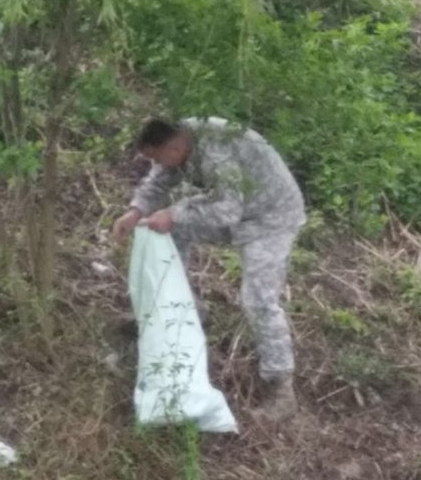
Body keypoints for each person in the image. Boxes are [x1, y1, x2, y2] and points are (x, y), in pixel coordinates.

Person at [113, 116, 307, 423]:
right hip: (238, 209)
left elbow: (228, 210)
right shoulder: (179, 142)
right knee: (170, 232)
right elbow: (159, 180)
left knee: (258, 299)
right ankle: (184, 313)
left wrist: (175, 213)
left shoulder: (217, 150)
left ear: (175, 147)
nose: (157, 164)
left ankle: (281, 389)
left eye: (157, 157)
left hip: (271, 218)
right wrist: (135, 211)